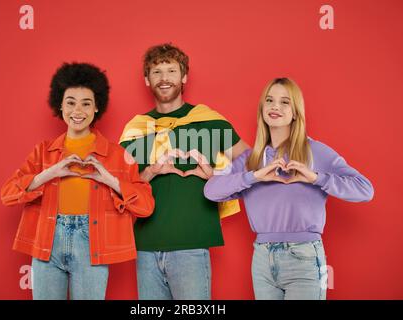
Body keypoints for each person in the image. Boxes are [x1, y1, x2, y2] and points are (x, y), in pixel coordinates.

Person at [204, 77, 374, 300]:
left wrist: (314, 177)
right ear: (262, 109)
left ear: (295, 112)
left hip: (306, 257)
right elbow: (211, 190)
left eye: (285, 102)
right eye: (270, 100)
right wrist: (255, 176)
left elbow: (365, 189)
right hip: (263, 258)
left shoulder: (314, 151)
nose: (275, 106)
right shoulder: (252, 159)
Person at [1, 62, 155, 300]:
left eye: (86, 103)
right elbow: (7, 193)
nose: (77, 110)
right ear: (60, 105)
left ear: (96, 109)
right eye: (71, 102)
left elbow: (145, 206)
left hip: (91, 246)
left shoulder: (117, 155)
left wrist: (110, 180)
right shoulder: (43, 152)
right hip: (46, 243)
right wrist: (49, 173)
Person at [119, 43, 249, 300]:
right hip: (146, 247)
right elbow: (123, 186)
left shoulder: (209, 121)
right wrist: (150, 172)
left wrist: (216, 178)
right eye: (156, 72)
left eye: (171, 71)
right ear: (147, 80)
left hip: (191, 245)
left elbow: (252, 164)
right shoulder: (136, 130)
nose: (164, 78)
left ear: (184, 77)